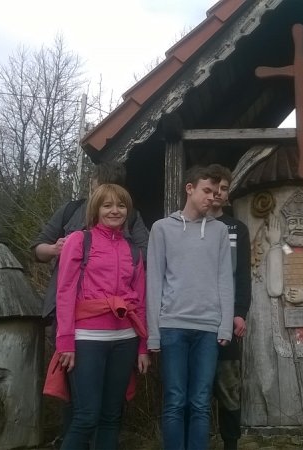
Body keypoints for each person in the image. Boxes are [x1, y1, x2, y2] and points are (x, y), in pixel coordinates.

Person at [52, 183, 150, 450]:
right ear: (96, 209)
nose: (115, 211)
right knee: (86, 416)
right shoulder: (79, 241)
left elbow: (140, 301)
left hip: (125, 340)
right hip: (87, 340)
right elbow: (65, 292)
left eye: (121, 205)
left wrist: (143, 346)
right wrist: (65, 342)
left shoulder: (133, 250)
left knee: (111, 417)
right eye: (107, 205)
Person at [146, 165, 234, 450]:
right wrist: (153, 333)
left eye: (216, 192)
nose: (212, 197)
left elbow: (225, 279)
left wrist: (225, 325)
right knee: (175, 400)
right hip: (172, 327)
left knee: (200, 402)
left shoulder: (220, 231)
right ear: (189, 188)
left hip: (208, 329)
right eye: (206, 190)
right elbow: (154, 281)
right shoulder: (162, 229)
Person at [32, 160, 149, 323]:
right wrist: (54, 249)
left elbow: (145, 256)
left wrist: (115, 249)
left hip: (115, 309)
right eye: (98, 191)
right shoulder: (71, 210)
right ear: (91, 184)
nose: (102, 198)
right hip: (65, 307)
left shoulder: (131, 216)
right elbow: (37, 250)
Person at [206, 164, 251, 450]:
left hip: (228, 318)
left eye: (224, 188)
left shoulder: (237, 228)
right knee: (197, 388)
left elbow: (243, 274)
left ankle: (231, 443)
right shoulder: (190, 225)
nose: (219, 194)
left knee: (229, 385)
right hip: (196, 317)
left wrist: (240, 312)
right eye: (214, 188)